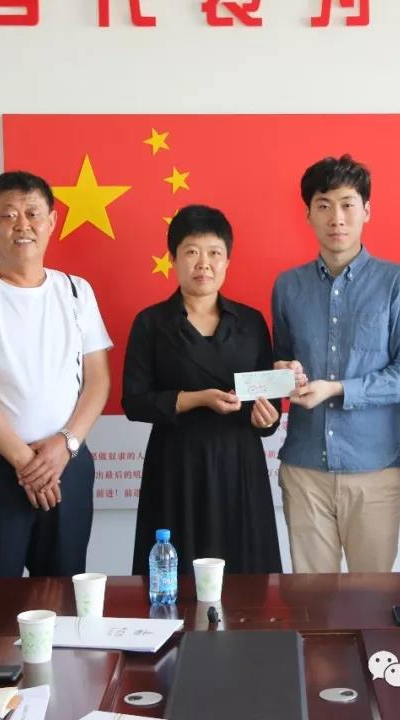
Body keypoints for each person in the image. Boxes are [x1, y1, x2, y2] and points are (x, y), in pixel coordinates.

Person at [0, 171, 112, 579]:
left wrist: (65, 445)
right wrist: (27, 463)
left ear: (52, 221)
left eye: (33, 213)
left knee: (65, 594)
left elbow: (98, 380)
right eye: (9, 215)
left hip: (67, 466)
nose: (22, 225)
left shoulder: (76, 291)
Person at [272, 154, 400, 573]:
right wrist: (282, 372)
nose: (336, 218)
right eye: (324, 205)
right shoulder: (288, 286)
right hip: (304, 468)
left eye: (347, 204)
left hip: (374, 470)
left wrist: (339, 390)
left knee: (371, 598)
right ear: (308, 214)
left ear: (366, 211)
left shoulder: (398, 283)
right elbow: (279, 361)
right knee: (311, 599)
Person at [123, 205, 283, 575]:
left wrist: (266, 418)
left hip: (238, 464)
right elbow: (135, 401)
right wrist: (198, 399)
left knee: (245, 576)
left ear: (227, 260)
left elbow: (269, 405)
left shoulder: (250, 322)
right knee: (175, 577)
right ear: (173, 259)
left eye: (214, 253)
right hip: (176, 465)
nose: (204, 264)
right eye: (192, 252)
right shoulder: (151, 323)